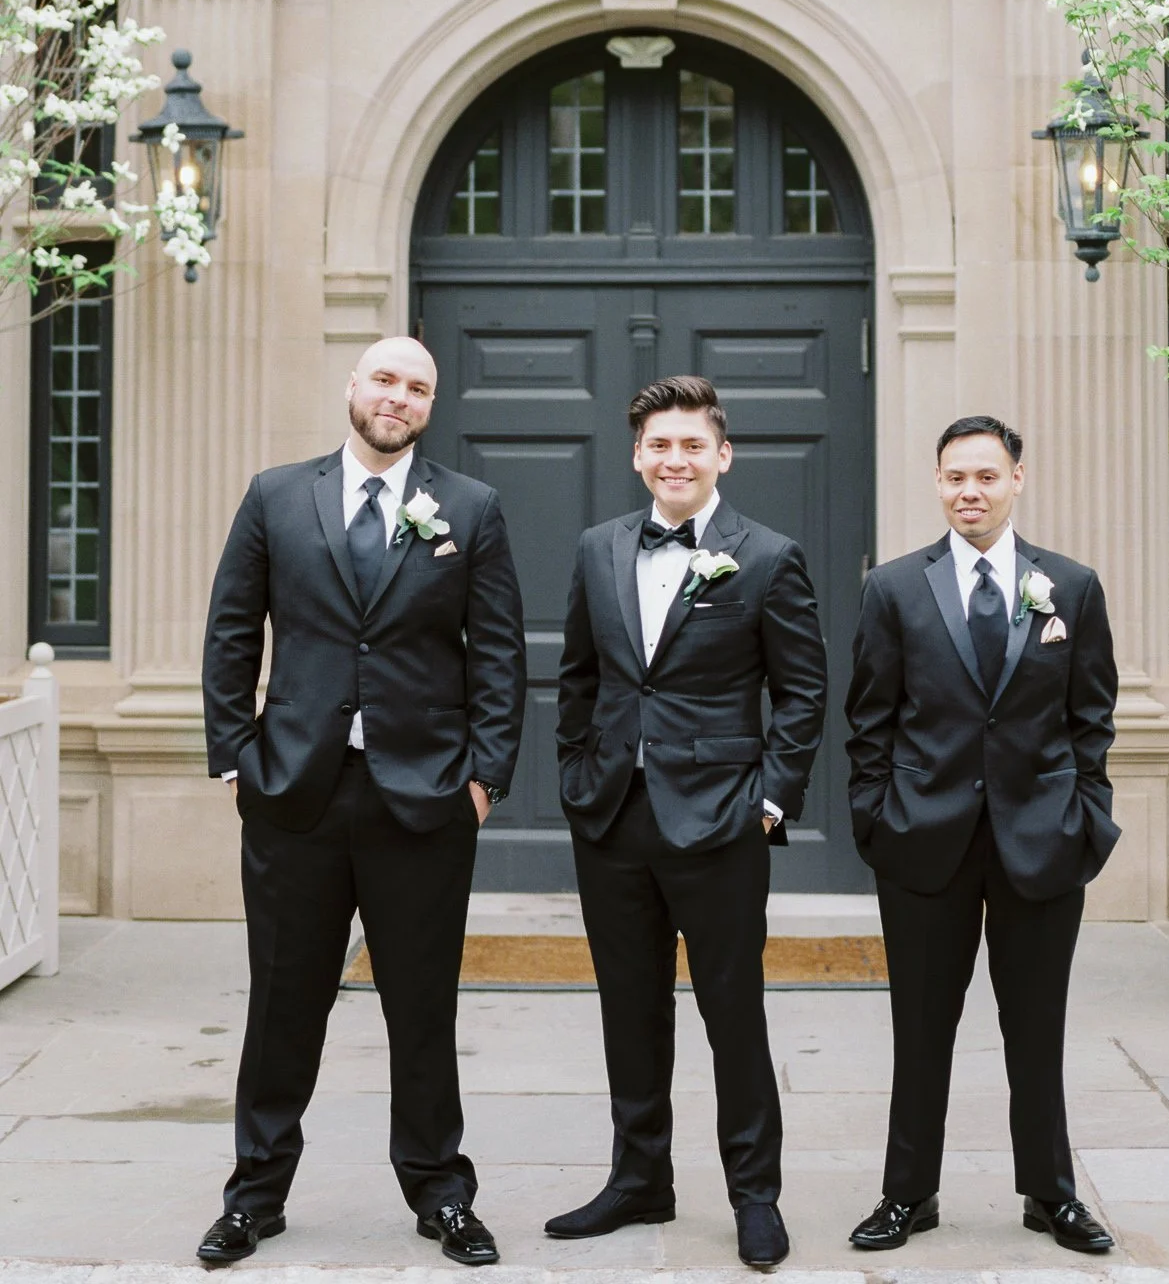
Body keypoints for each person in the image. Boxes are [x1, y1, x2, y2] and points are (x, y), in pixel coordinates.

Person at [196, 336, 527, 1269]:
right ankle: (255, 1196)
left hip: (423, 799)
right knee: (284, 1003)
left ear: (430, 405)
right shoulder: (275, 496)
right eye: (385, 380)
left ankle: (440, 1192)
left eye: (417, 387)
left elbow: (499, 653)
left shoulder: (470, 507)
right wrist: (236, 756)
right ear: (352, 387)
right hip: (294, 793)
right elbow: (232, 625)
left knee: (422, 1006)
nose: (398, 398)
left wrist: (484, 776)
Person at [548, 375, 829, 1271]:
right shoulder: (597, 548)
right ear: (638, 456)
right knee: (628, 1010)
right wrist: (576, 777)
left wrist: (772, 802)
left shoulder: (768, 556)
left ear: (722, 455)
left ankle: (755, 1196)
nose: (675, 460)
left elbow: (803, 691)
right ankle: (640, 1179)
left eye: (691, 445)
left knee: (731, 1013)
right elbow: (581, 676)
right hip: (613, 819)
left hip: (721, 823)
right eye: (659, 446)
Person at [844, 415, 1119, 1257]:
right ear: (937, 483)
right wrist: (879, 822)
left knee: (1036, 1028)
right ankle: (907, 1194)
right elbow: (869, 723)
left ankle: (1050, 1194)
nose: (970, 491)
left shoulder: (1069, 588)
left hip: (1043, 841)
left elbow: (1091, 717)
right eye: (956, 477)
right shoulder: (893, 589)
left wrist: (1085, 819)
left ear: (1016, 480)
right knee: (920, 1027)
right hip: (924, 841)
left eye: (987, 477)